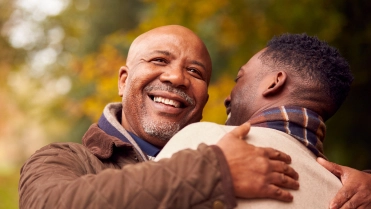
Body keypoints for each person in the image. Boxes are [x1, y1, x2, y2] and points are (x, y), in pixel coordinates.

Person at [19, 25, 300, 209]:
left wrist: (338, 187)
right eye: (159, 60)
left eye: (195, 72)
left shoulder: (245, 157)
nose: (177, 77)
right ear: (123, 81)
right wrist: (213, 171)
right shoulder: (60, 158)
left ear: (204, 101)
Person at [155, 33, 371, 208]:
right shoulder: (352, 193)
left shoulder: (207, 140)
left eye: (239, 79)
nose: (228, 97)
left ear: (274, 83)